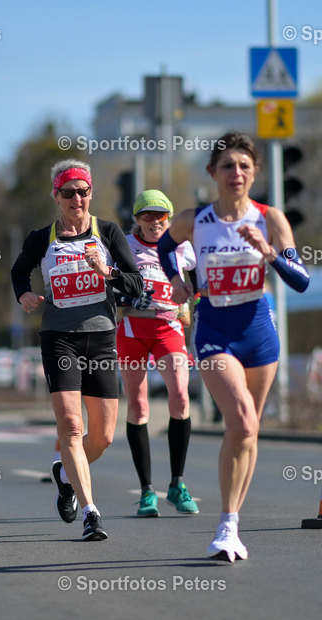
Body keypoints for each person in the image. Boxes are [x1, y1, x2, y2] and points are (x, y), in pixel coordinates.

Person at [157, 131, 310, 562]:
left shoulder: (272, 219)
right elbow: (165, 247)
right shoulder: (194, 220)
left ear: (255, 172)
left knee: (250, 429)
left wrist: (270, 254)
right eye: (228, 166)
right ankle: (224, 525)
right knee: (241, 421)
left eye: (244, 166)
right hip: (216, 331)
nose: (236, 173)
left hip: (259, 330)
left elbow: (301, 282)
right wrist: (178, 282)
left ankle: (232, 526)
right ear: (213, 173)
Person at [11, 158, 144, 541]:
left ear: (91, 193)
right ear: (57, 196)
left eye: (83, 191)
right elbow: (19, 270)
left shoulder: (109, 232)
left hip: (101, 337)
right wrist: (23, 294)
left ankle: (65, 475)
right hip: (59, 337)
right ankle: (91, 513)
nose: (77, 199)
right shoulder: (42, 238)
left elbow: (136, 285)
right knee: (72, 426)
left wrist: (108, 272)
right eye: (68, 192)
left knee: (102, 437)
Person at [116, 189, 199, 517]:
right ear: (136, 219)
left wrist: (195, 299)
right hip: (133, 330)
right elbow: (104, 276)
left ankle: (177, 484)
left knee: (180, 397)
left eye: (160, 215)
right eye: (146, 215)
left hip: (168, 327)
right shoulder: (122, 244)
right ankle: (147, 491)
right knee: (138, 406)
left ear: (170, 217)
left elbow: (201, 270)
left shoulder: (183, 248)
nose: (154, 222)